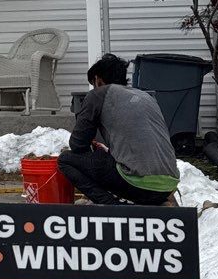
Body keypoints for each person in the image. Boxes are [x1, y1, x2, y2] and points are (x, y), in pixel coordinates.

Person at [57, 53, 180, 205]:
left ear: (97, 79)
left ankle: (112, 205)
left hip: (137, 184)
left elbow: (77, 144)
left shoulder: (98, 94)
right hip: (168, 187)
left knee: (66, 160)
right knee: (104, 160)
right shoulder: (146, 97)